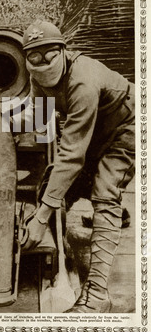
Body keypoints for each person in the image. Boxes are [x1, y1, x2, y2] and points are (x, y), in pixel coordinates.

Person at [20, 20, 135, 313]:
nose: (42, 61)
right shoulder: (38, 80)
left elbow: (71, 155)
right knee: (53, 183)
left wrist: (41, 217)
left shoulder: (82, 80)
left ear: (62, 50)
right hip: (96, 130)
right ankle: (65, 252)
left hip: (129, 125)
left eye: (49, 54)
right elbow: (35, 119)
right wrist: (1, 124)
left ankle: (97, 297)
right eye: (34, 56)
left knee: (105, 191)